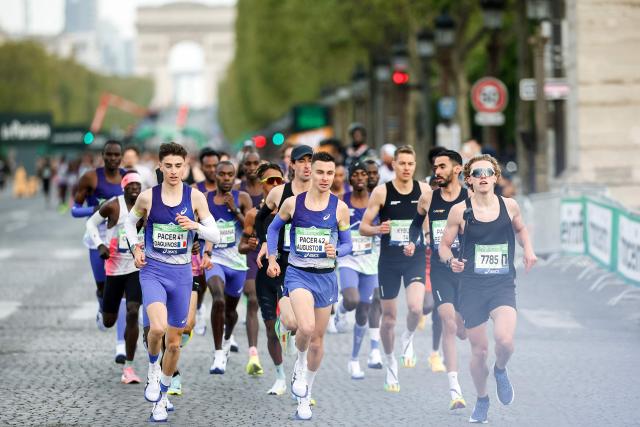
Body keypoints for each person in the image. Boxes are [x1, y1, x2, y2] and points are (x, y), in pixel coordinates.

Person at [124, 142, 220, 422]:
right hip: (153, 270)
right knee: (156, 329)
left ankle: (162, 397)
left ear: (186, 166)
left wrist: (196, 227)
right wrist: (136, 248)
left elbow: (215, 235)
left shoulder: (196, 198)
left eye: (179, 166)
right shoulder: (148, 198)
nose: (174, 171)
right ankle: (153, 370)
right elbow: (130, 224)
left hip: (182, 275)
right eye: (168, 166)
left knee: (175, 344)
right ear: (160, 166)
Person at [439, 154, 537, 424]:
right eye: (477, 172)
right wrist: (451, 261)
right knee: (479, 350)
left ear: (495, 177)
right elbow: (444, 245)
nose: (483, 176)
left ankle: (501, 369)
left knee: (505, 341)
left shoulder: (510, 206)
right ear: (468, 179)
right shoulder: (460, 211)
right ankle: (482, 399)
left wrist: (528, 250)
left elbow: (521, 229)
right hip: (471, 287)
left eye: (488, 172)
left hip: (502, 284)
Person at [266, 152, 352, 420]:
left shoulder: (339, 208)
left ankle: (306, 395)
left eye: (330, 173)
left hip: (326, 278)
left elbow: (348, 244)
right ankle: (299, 366)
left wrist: (335, 250)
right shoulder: (293, 204)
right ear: (310, 173)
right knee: (306, 328)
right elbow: (272, 230)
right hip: (298, 274)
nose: (325, 178)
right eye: (320, 172)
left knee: (317, 342)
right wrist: (271, 257)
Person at [359, 145, 430, 392]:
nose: (407, 168)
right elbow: (363, 227)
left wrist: (420, 240)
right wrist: (379, 229)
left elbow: (428, 227)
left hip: (414, 258)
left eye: (411, 164)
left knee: (415, 308)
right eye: (402, 163)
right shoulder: (381, 192)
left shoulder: (425, 191)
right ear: (394, 165)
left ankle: (408, 337)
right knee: (388, 319)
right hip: (388, 261)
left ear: (415, 165)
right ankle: (391, 365)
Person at [405, 150, 468, 411]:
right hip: (441, 269)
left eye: (442, 166)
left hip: (468, 272)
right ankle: (455, 390)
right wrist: (412, 240)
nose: (437, 171)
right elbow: (414, 225)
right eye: (435, 167)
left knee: (464, 329)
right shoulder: (428, 198)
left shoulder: (471, 197)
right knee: (448, 323)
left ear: (457, 169)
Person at [71, 140, 128, 363]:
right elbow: (75, 210)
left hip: (120, 241)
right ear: (103, 156)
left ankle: (121, 345)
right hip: (96, 240)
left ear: (121, 157)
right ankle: (101, 304)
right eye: (109, 155)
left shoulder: (127, 178)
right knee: (104, 290)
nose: (113, 159)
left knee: (122, 293)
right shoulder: (90, 178)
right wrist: (93, 209)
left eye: (117, 155)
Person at [85, 171, 144, 384]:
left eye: (138, 185)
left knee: (132, 311)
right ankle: (102, 310)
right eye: (131, 186)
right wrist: (99, 244)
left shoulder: (146, 207)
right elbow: (91, 224)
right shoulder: (113, 206)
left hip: (136, 268)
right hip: (114, 269)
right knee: (110, 321)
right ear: (124, 188)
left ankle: (129, 367)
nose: (135, 189)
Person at [255, 145, 314, 351]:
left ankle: (301, 363)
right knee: (293, 322)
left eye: (310, 161)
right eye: (302, 161)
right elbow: (261, 218)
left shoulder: (321, 192)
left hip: (312, 263)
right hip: (285, 261)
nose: (307, 166)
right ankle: (285, 324)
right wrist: (264, 242)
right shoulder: (279, 193)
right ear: (292, 164)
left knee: (310, 324)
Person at [239, 162, 287, 393]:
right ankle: (280, 376)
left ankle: (301, 375)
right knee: (271, 328)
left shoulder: (296, 208)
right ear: (262, 185)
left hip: (291, 273)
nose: (276, 185)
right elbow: (242, 245)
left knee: (294, 325)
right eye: (270, 181)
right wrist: (248, 244)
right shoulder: (253, 214)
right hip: (265, 275)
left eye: (280, 180)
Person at [203, 161, 253, 375]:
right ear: (215, 175)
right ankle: (217, 354)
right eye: (221, 174)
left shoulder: (242, 198)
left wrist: (235, 211)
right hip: (215, 260)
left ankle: (226, 340)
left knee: (231, 311)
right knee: (219, 300)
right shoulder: (205, 200)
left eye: (229, 175)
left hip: (238, 263)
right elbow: (197, 226)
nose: (225, 178)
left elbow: (251, 229)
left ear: (234, 177)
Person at [333, 161, 380, 379]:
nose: (360, 177)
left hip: (371, 262)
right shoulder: (342, 202)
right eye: (356, 174)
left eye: (364, 174)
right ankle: (341, 311)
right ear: (349, 179)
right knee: (351, 299)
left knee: (364, 308)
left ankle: (354, 359)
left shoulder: (377, 200)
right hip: (349, 260)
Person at [234, 151, 265, 375]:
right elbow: (245, 224)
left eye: (256, 163)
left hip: (274, 250)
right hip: (250, 249)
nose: (252, 166)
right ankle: (253, 353)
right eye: (249, 163)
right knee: (252, 297)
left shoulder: (274, 189)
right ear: (243, 166)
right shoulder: (237, 191)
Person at [193, 148, 220, 336]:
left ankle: (226, 327)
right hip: (201, 241)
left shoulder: (229, 189)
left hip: (226, 244)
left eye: (215, 166)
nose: (211, 169)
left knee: (220, 286)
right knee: (201, 282)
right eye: (208, 166)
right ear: (201, 167)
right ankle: (199, 307)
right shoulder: (194, 189)